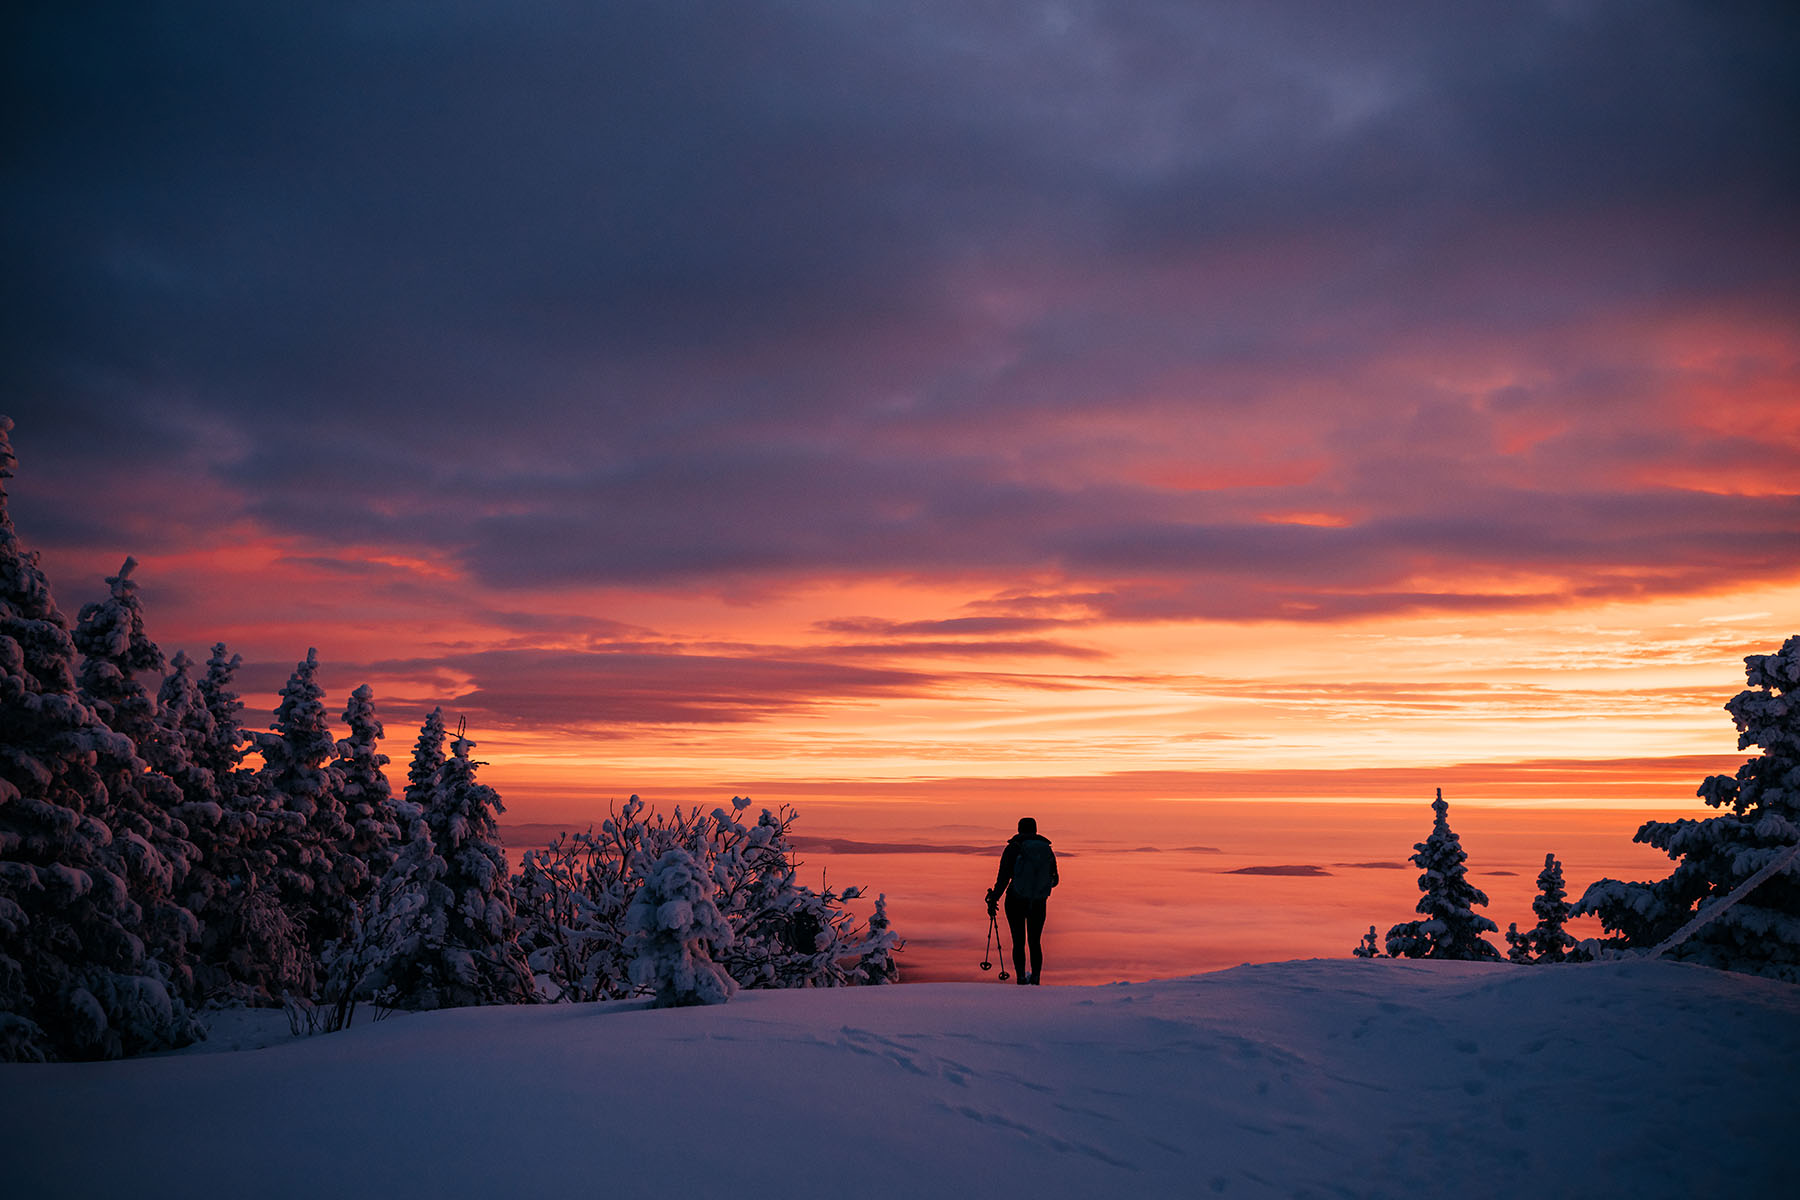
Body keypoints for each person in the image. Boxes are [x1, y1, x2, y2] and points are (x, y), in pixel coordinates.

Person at [986, 816, 1058, 985]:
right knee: (1035, 941)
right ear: (1035, 829)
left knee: (1018, 941)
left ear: (1019, 829)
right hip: (1039, 901)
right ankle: (1036, 978)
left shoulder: (1013, 849)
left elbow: (1003, 878)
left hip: (1015, 900)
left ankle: (1020, 978)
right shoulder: (1046, 850)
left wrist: (994, 898)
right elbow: (1054, 880)